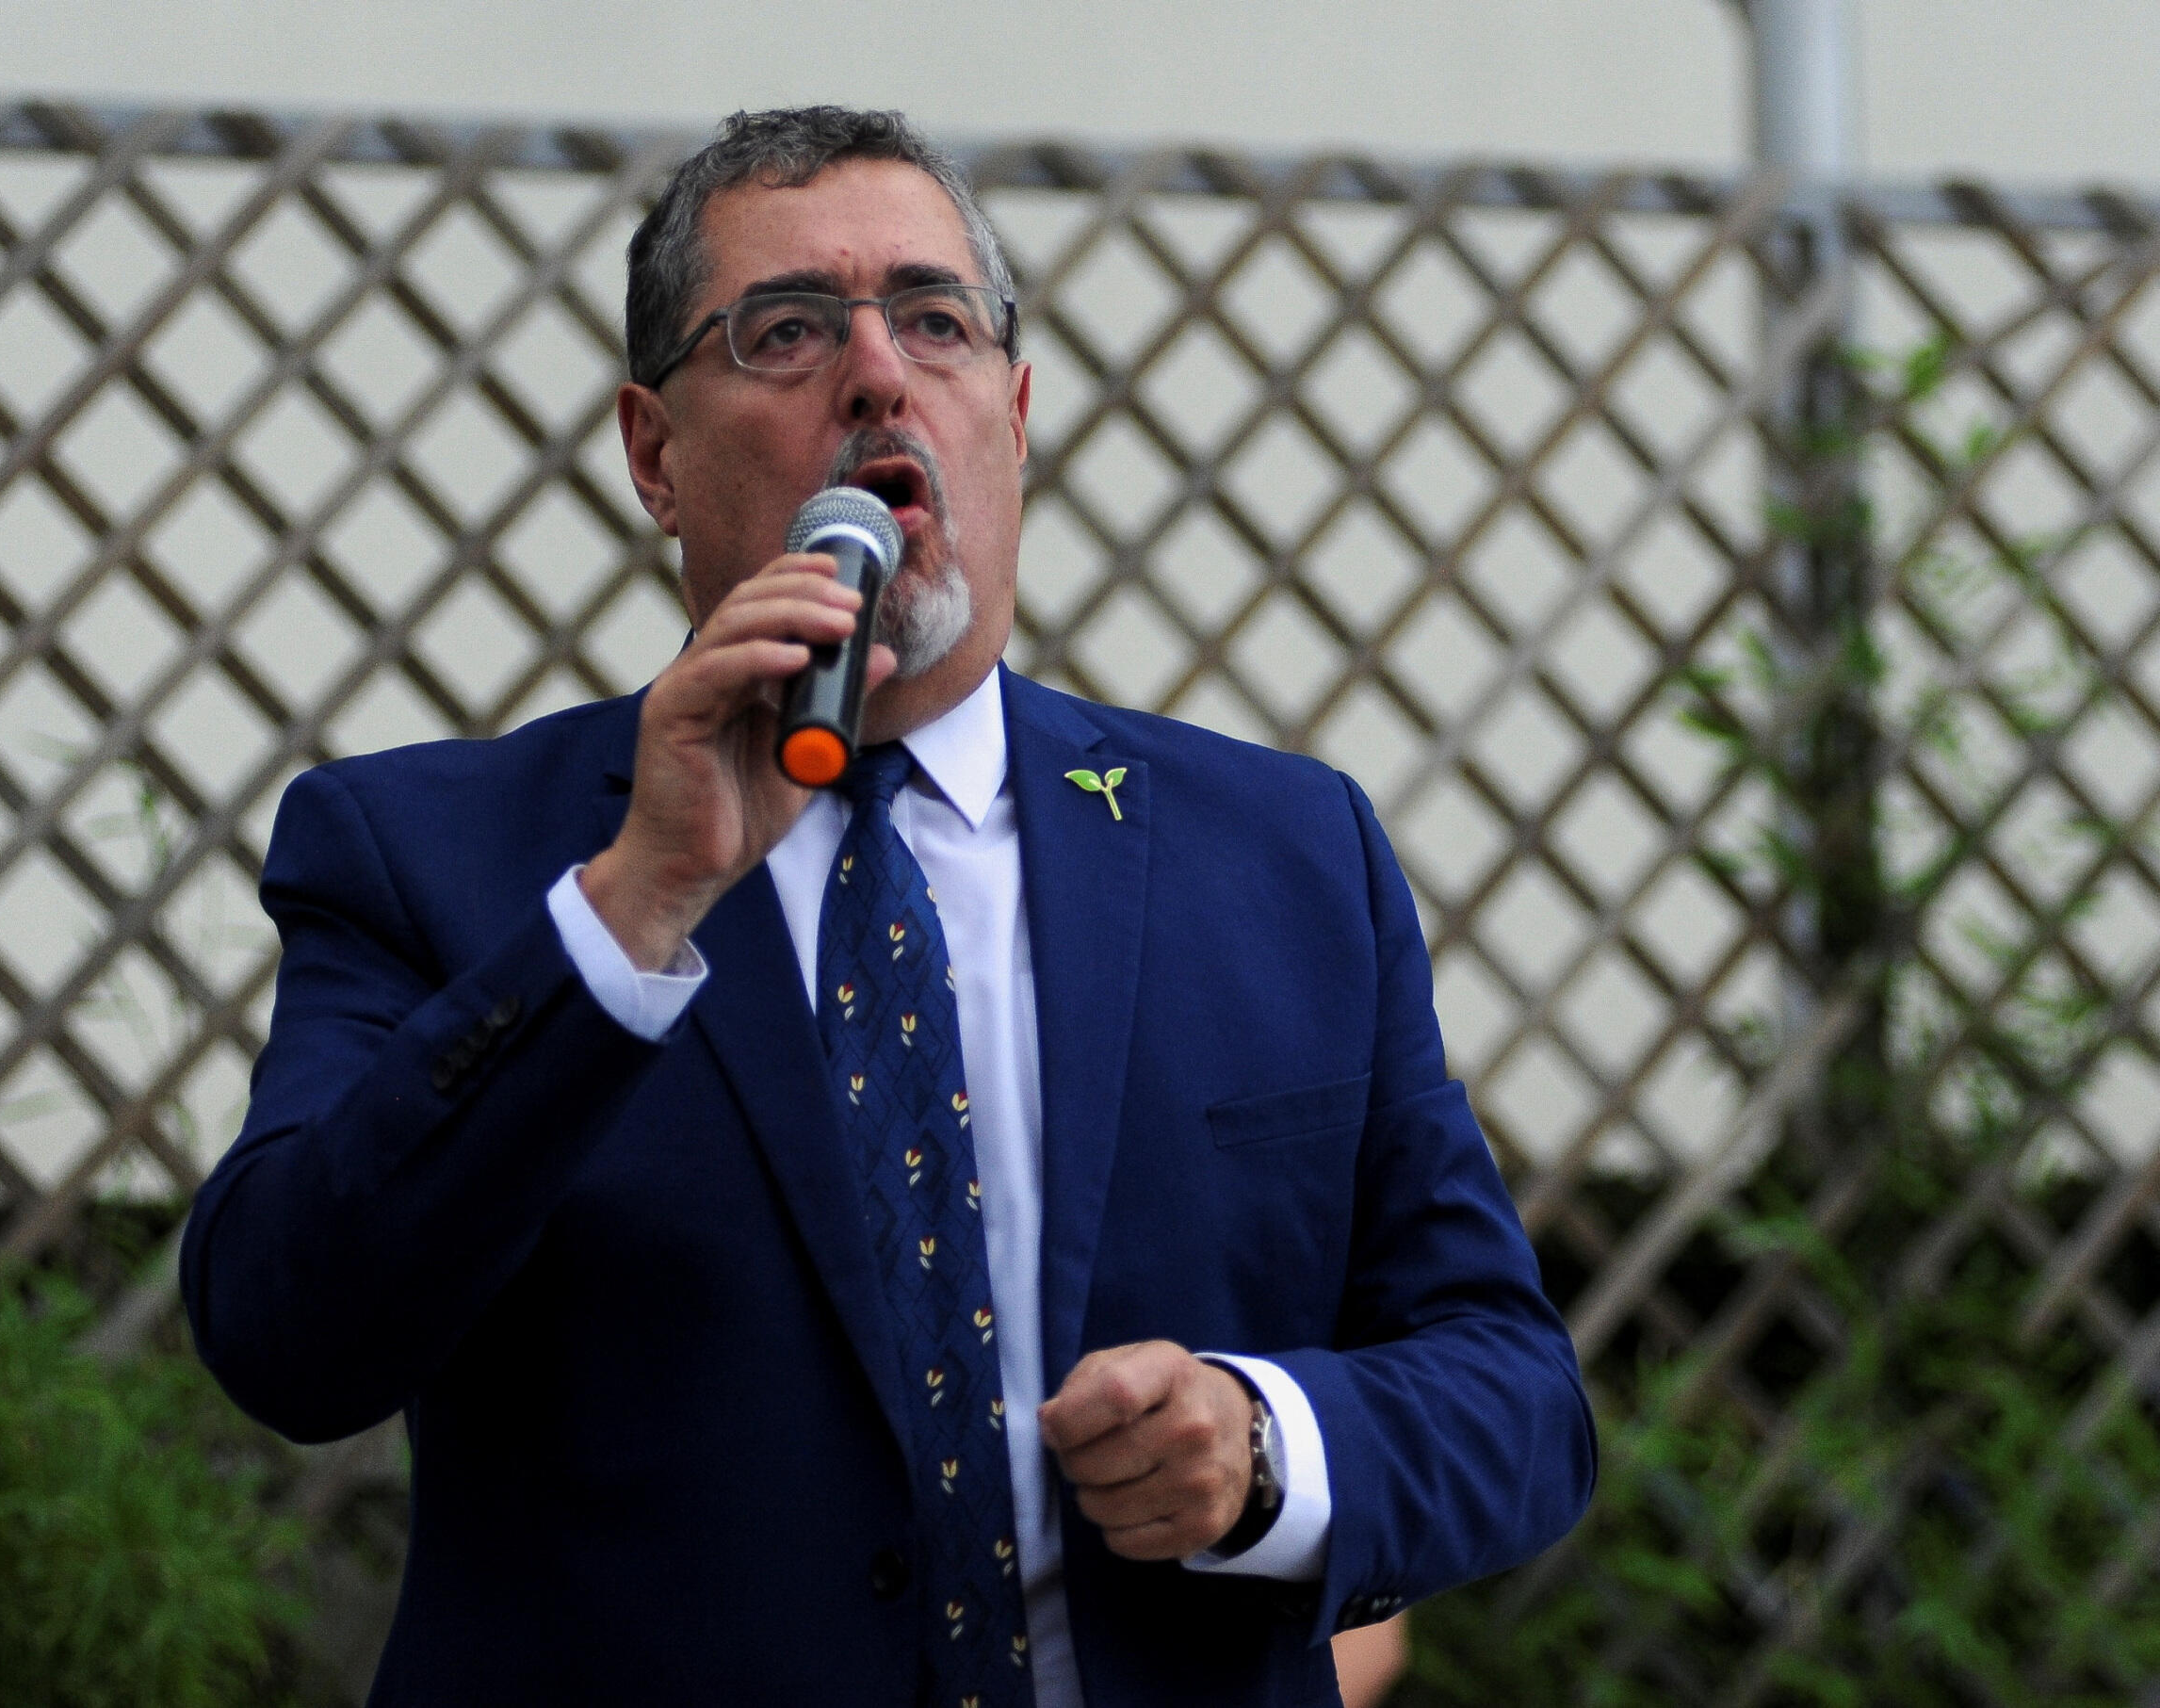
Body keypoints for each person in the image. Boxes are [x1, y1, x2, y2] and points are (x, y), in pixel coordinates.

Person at [180, 106, 1594, 1708]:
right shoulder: (425, 850)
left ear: (1015, 408)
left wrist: (1271, 1445)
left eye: (934, 319)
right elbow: (288, 1334)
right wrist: (640, 900)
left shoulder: (1283, 851)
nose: (877, 374)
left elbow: (1517, 1391)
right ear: (654, 452)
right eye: (786, 331)